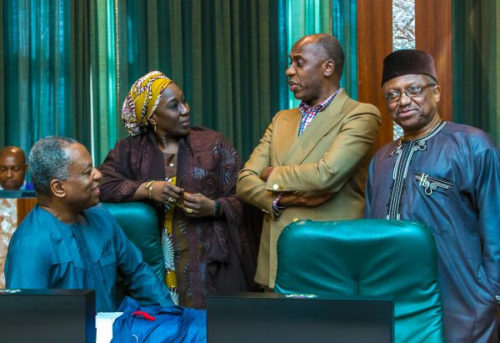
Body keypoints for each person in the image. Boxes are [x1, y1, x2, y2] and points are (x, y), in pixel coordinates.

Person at [365, 49, 500, 342]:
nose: (403, 101)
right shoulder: (382, 159)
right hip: (391, 300)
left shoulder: (473, 145)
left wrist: (492, 293)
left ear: (436, 92)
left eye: (413, 90)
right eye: (392, 94)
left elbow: (496, 224)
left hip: (460, 301)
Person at [98, 71, 257, 309]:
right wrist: (147, 189)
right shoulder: (129, 151)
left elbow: (247, 197)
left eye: (184, 100)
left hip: (211, 263)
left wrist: (214, 207)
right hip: (153, 263)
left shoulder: (213, 144)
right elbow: (100, 185)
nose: (185, 110)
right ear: (152, 117)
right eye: (174, 106)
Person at [236, 33, 381, 289]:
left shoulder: (360, 115)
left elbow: (326, 175)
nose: (289, 71)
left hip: (328, 259)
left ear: (328, 67)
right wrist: (284, 200)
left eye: (299, 63)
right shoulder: (282, 118)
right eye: (290, 63)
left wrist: (272, 174)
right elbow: (244, 181)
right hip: (277, 260)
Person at [5, 136, 173, 312]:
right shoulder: (30, 246)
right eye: (87, 172)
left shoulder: (101, 216)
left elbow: (139, 273)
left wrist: (172, 320)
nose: (98, 174)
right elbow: (27, 323)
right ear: (58, 188)